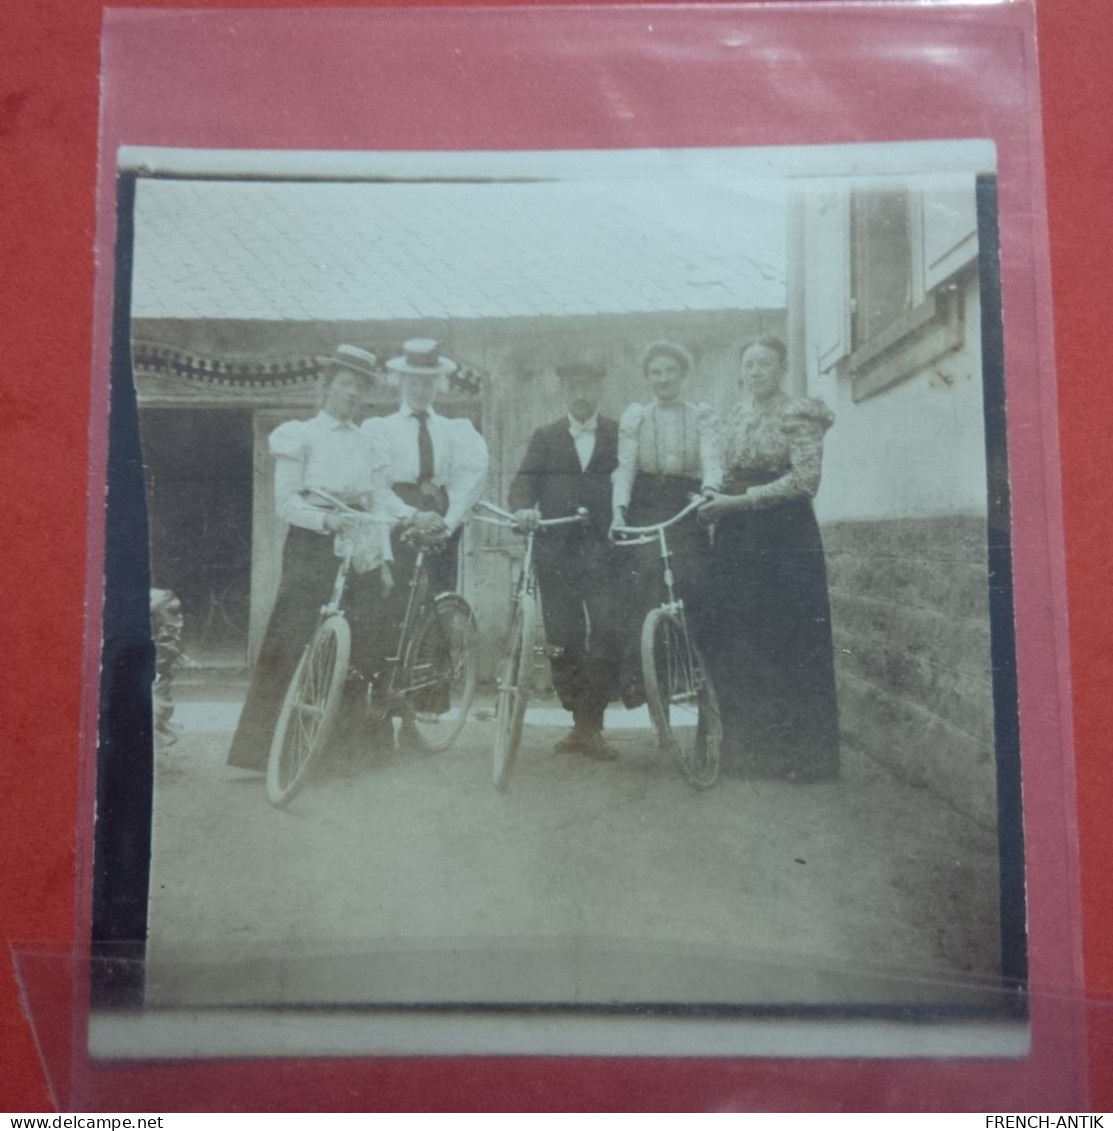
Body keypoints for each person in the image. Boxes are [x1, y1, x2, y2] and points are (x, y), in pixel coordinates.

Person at [227, 345, 396, 772]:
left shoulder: (367, 443)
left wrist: (385, 558)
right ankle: (270, 753)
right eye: (344, 386)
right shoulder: (300, 434)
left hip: (361, 545)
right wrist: (326, 521)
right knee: (294, 638)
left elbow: (376, 504)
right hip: (312, 545)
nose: (352, 395)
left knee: (356, 647)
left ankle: (339, 753)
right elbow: (285, 503)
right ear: (326, 388)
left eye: (360, 389)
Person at [697, 333, 840, 782]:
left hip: (785, 537)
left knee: (790, 639)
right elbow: (723, 469)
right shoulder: (737, 415)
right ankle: (747, 752)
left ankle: (803, 759)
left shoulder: (798, 414)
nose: (755, 371)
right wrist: (713, 491)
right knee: (739, 637)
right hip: (737, 537)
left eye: (765, 363)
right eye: (749, 364)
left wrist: (738, 502)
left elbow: (805, 481)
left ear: (781, 369)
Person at [508, 360, 622, 760]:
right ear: (564, 391)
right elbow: (523, 483)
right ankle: (579, 724)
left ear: (600, 390)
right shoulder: (545, 437)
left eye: (589, 384)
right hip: (556, 550)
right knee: (563, 637)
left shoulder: (618, 433)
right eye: (574, 385)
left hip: (604, 551)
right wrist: (523, 510)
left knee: (608, 629)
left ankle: (594, 721)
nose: (581, 393)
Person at [610, 340, 721, 706]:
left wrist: (709, 488)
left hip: (686, 503)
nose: (663, 378)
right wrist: (619, 510)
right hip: (646, 503)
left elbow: (711, 455)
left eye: (670, 371)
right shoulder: (636, 417)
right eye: (655, 372)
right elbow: (625, 467)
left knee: (696, 582)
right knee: (643, 583)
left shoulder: (701, 414)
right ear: (647, 378)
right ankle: (647, 684)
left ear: (683, 374)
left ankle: (699, 676)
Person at [362, 339, 489, 600]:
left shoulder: (455, 431)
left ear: (438, 386)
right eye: (414, 383)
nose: (421, 390)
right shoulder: (382, 429)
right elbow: (376, 486)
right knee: (398, 601)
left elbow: (465, 483)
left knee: (439, 600)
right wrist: (410, 514)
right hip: (398, 521)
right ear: (402, 384)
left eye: (428, 383)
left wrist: (448, 524)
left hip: (440, 525)